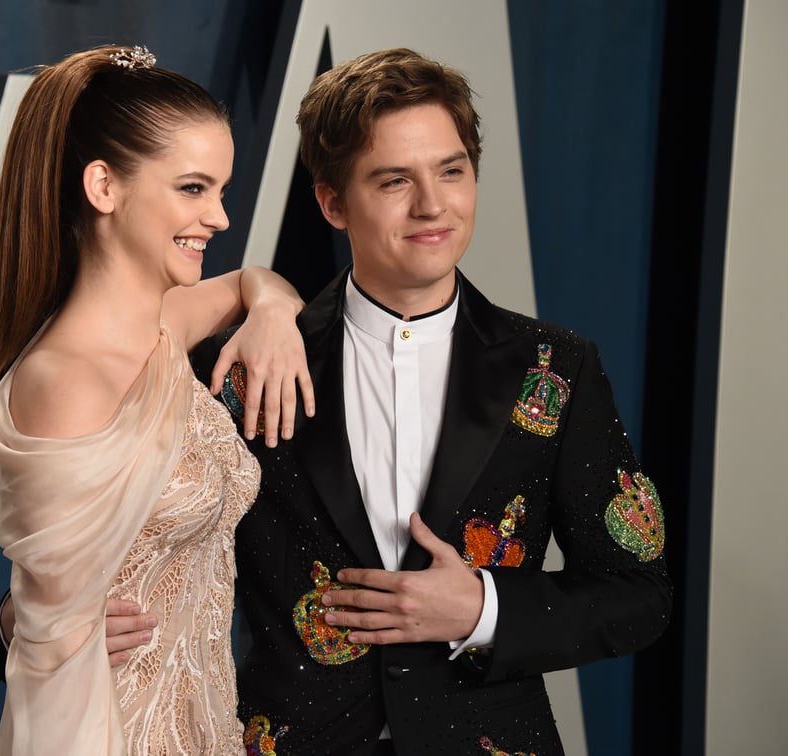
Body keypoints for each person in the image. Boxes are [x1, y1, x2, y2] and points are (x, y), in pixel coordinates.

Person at [188, 48, 671, 755]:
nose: (433, 204)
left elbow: (641, 594)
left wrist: (483, 608)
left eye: (452, 171)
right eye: (394, 180)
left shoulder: (558, 367)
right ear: (332, 202)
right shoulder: (238, 365)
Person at [0, 45, 314, 755]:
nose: (217, 217)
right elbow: (52, 652)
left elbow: (255, 280)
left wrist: (272, 308)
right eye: (192, 188)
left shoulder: (164, 330)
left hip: (207, 728)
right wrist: (22, 622)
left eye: (222, 191)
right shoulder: (66, 380)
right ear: (103, 187)